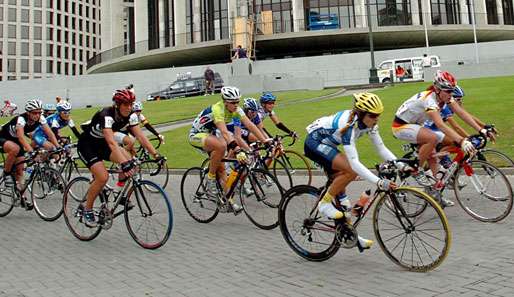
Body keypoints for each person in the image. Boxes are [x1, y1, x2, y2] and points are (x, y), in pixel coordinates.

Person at [304, 93, 398, 250]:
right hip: (314, 143)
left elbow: (381, 148)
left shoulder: (370, 124)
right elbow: (354, 163)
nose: (377, 119)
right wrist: (379, 181)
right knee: (350, 171)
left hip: (328, 145)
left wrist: (400, 165)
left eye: (378, 115)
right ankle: (324, 203)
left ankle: (350, 234)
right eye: (373, 115)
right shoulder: (348, 126)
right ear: (361, 114)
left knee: (344, 202)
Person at [392, 71, 486, 197]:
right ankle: (416, 170)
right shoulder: (429, 100)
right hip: (400, 126)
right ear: (437, 89)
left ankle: (435, 192)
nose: (450, 94)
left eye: (452, 90)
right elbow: (441, 125)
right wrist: (462, 141)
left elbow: (461, 113)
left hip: (416, 125)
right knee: (433, 138)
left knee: (446, 144)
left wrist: (481, 129)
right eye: (448, 91)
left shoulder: (444, 97)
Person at [77, 89, 162, 227]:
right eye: (125, 104)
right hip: (88, 146)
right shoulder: (106, 115)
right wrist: (124, 163)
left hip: (103, 144)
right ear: (117, 105)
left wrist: (156, 155)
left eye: (131, 104)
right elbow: (111, 142)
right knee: (103, 177)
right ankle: (87, 209)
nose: (129, 107)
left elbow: (140, 136)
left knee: (134, 164)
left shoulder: (132, 116)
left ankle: (119, 194)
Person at [188, 86, 270, 213]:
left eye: (238, 101)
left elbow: (250, 125)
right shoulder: (217, 109)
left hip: (211, 136)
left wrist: (265, 140)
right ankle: (210, 181)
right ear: (225, 101)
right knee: (222, 146)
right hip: (197, 135)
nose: (236, 105)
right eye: (233, 102)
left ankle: (229, 201)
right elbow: (225, 133)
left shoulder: (237, 109)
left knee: (221, 170)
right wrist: (237, 150)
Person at [0, 99, 60, 210]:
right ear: (28, 112)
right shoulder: (21, 119)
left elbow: (50, 134)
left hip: (16, 140)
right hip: (3, 137)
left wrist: (57, 146)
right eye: (34, 113)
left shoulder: (41, 118)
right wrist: (31, 151)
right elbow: (21, 137)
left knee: (20, 170)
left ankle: (22, 197)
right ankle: (6, 173)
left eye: (39, 112)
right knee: (15, 149)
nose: (37, 115)